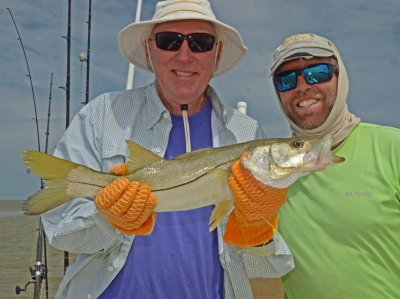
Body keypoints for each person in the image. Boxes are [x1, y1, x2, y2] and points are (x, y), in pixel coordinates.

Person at [41, 1, 294, 298]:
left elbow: (264, 267)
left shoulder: (247, 133)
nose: (184, 55)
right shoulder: (103, 114)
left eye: (200, 42)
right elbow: (60, 230)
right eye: (169, 41)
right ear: (150, 51)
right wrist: (105, 218)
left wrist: (258, 232)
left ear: (217, 53)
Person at [269, 33, 400, 298]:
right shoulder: (269, 170)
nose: (303, 86)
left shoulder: (393, 147)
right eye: (287, 80)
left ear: (341, 78)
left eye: (318, 72)